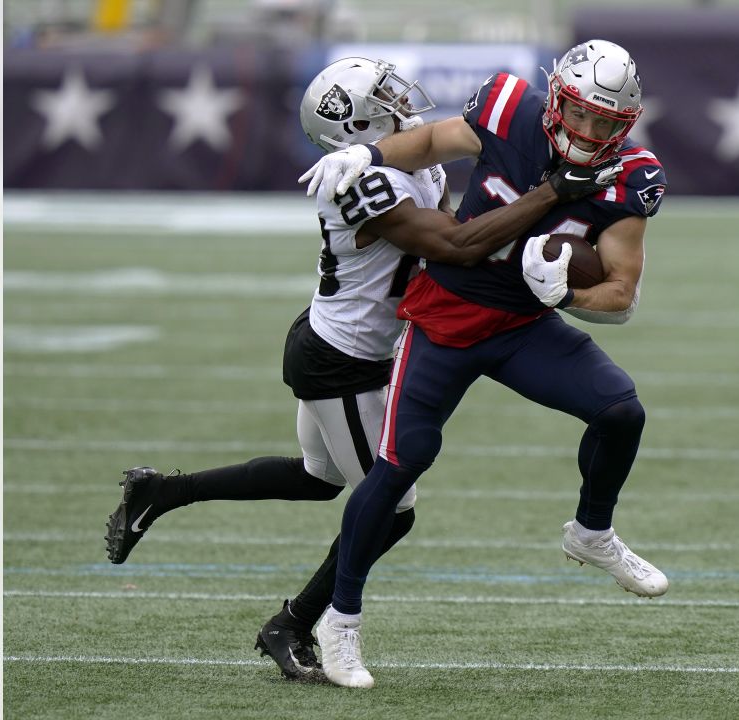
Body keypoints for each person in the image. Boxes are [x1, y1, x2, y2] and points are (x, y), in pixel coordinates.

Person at [102, 56, 624, 681]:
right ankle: (294, 623)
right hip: (346, 358)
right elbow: (456, 245)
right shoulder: (356, 183)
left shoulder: (395, 159)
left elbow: (452, 164)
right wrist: (552, 192)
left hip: (343, 339)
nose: (399, 99)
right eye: (381, 95)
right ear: (354, 121)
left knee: (321, 479)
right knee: (393, 507)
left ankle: (160, 492)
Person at [301, 40, 669, 689]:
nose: (590, 132)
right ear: (556, 100)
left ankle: (592, 532)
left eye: (608, 123)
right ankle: (341, 621)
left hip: (525, 322)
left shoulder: (631, 176)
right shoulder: (507, 107)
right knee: (400, 463)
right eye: (582, 115)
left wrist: (569, 294)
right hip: (446, 315)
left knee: (620, 409)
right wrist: (369, 152)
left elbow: (621, 293)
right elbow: (432, 140)